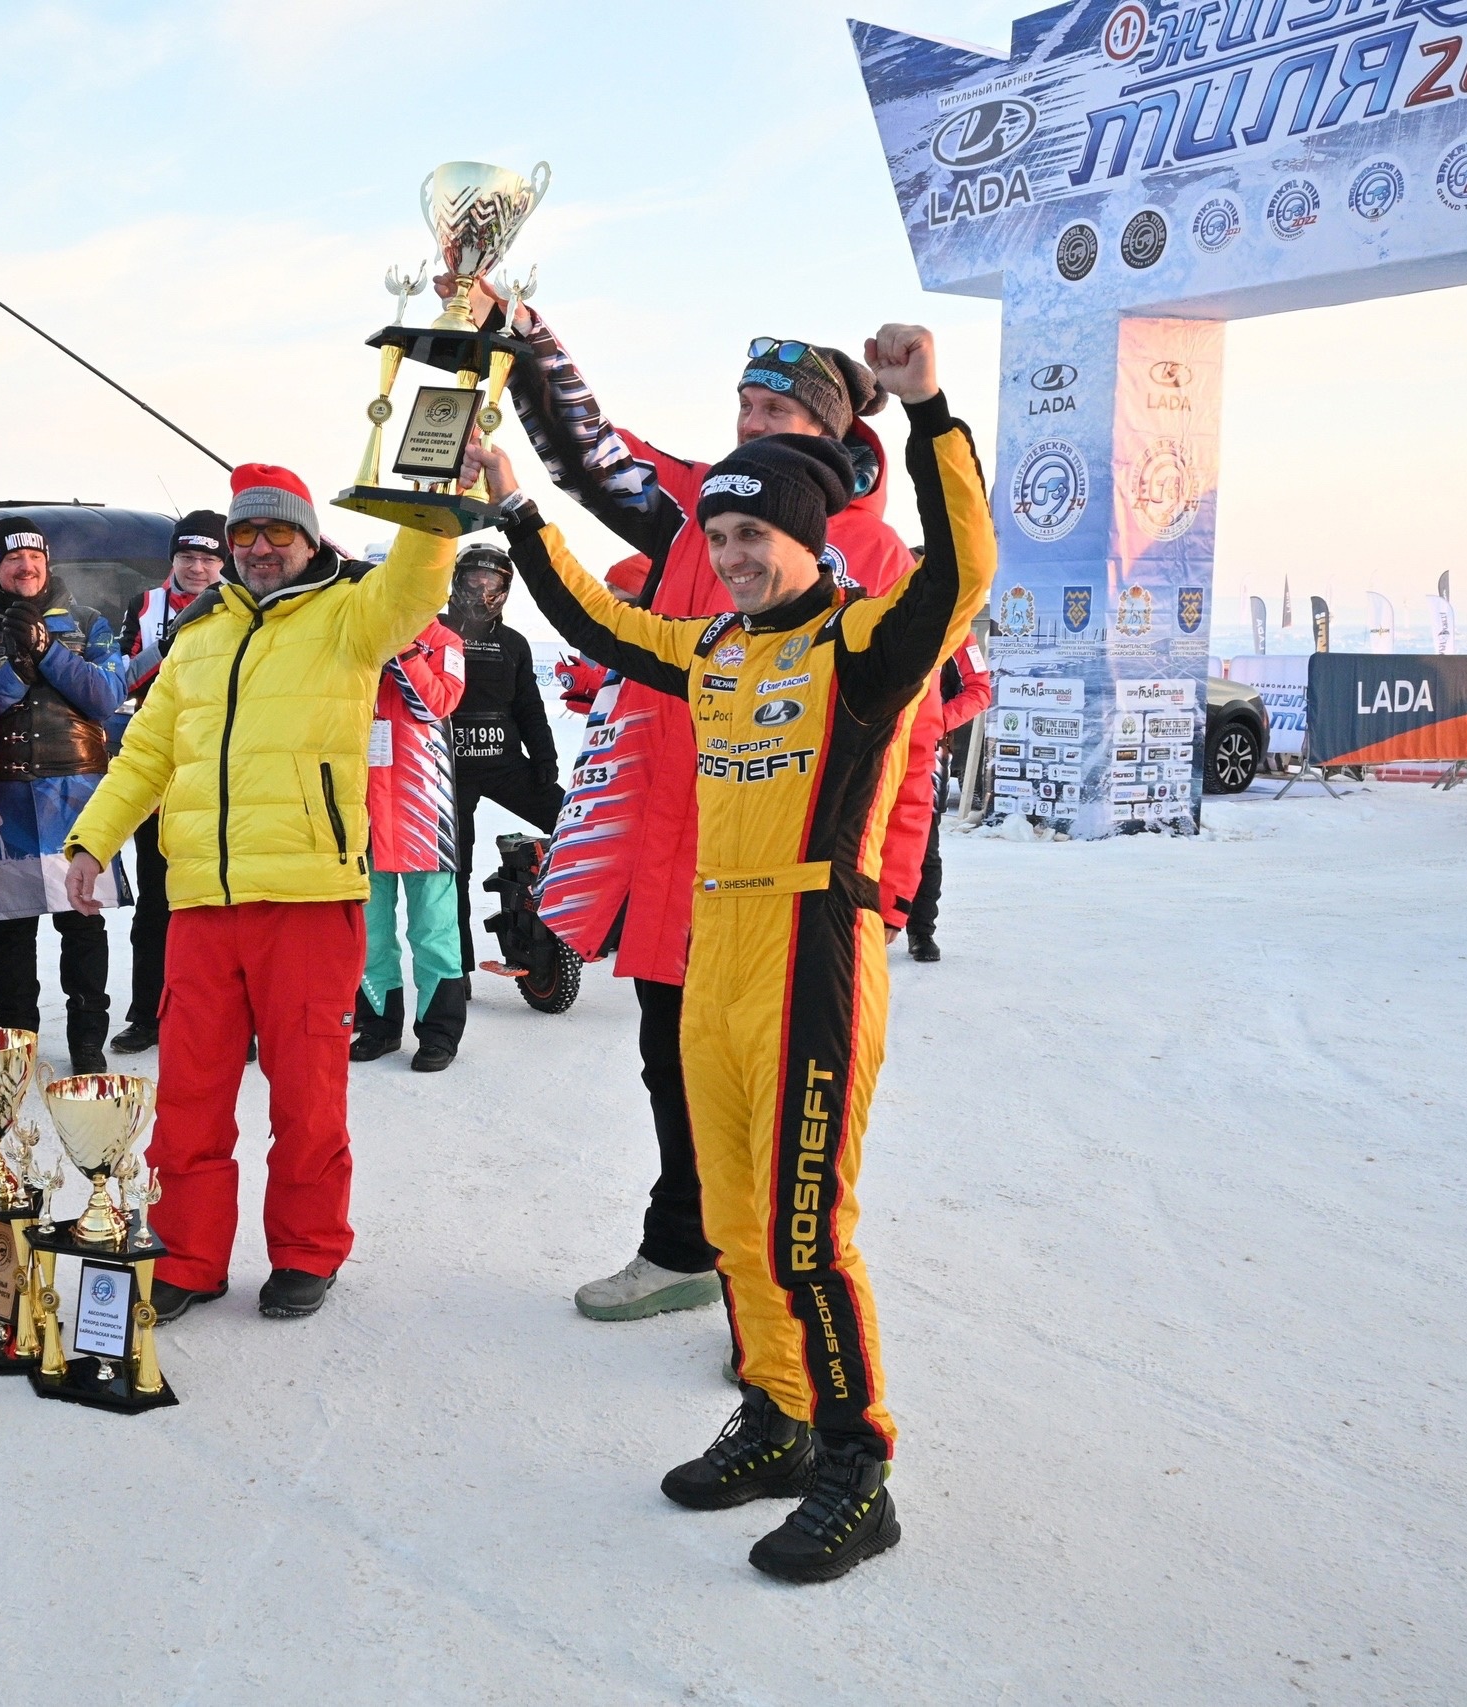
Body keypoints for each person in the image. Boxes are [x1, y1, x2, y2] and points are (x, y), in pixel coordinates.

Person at [471, 322, 995, 1584]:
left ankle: (858, 1465)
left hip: (815, 951)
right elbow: (596, 625)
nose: (736, 555)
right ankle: (776, 1416)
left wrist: (928, 412)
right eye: (722, 536)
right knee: (739, 1222)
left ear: (810, 540)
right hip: (717, 949)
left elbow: (963, 574)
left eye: (757, 534)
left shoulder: (866, 644)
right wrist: (516, 510)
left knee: (808, 1230)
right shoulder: (713, 651)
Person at [455, 280, 922, 1329]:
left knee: (786, 1099)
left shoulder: (877, 556)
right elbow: (590, 456)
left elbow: (918, 733)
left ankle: (780, 1305)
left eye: (776, 412)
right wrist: (520, 335)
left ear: (831, 430)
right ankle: (681, 1250)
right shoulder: (700, 508)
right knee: (673, 1063)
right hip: (682, 852)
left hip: (803, 877)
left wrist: (885, 886)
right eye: (744, 408)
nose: (749, 426)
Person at [63, 464, 452, 1323]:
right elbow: (148, 753)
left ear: (311, 539)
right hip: (202, 902)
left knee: (307, 1093)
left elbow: (420, 581)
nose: (260, 549)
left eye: (279, 533)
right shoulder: (199, 635)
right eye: (246, 535)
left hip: (309, 900)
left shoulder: (352, 614)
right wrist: (94, 837)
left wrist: (433, 499)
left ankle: (308, 1251)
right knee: (191, 1096)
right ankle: (189, 1255)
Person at [0, 515, 127, 1073]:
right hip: (1, 796)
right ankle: (17, 1046)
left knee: (82, 923)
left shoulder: (89, 620)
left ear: (46, 562)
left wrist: (48, 648)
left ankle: (87, 1045)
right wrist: (15, 669)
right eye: (11, 560)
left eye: (33, 558)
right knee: (9, 931)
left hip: (76, 793)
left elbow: (104, 696)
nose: (24, 567)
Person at [107, 511, 227, 1055]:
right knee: (156, 902)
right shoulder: (144, 605)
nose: (197, 568)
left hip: (221, 770)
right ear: (172, 560)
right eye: (188, 557)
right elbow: (125, 677)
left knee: (221, 902)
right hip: (161, 764)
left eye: (208, 558)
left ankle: (226, 1019)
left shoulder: (245, 602)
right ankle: (147, 1015)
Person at [443, 542, 565, 977]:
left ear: (505, 589)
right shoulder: (431, 631)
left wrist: (545, 758)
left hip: (506, 764)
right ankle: (456, 972)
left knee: (576, 826)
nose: (482, 589)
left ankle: (593, 925)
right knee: (452, 871)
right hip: (448, 773)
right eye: (474, 579)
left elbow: (530, 706)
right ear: (457, 581)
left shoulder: (513, 643)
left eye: (492, 582)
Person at [352, 617, 468, 1070]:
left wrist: (400, 646)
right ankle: (379, 1025)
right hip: (361, 808)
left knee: (435, 930)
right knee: (370, 932)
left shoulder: (445, 641)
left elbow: (436, 703)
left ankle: (439, 1032)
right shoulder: (354, 633)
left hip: (424, 809)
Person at [891, 635, 990, 962]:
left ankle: (921, 930)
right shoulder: (871, 604)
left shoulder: (956, 624)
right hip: (871, 744)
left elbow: (979, 691)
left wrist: (933, 722)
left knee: (923, 844)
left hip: (925, 752)